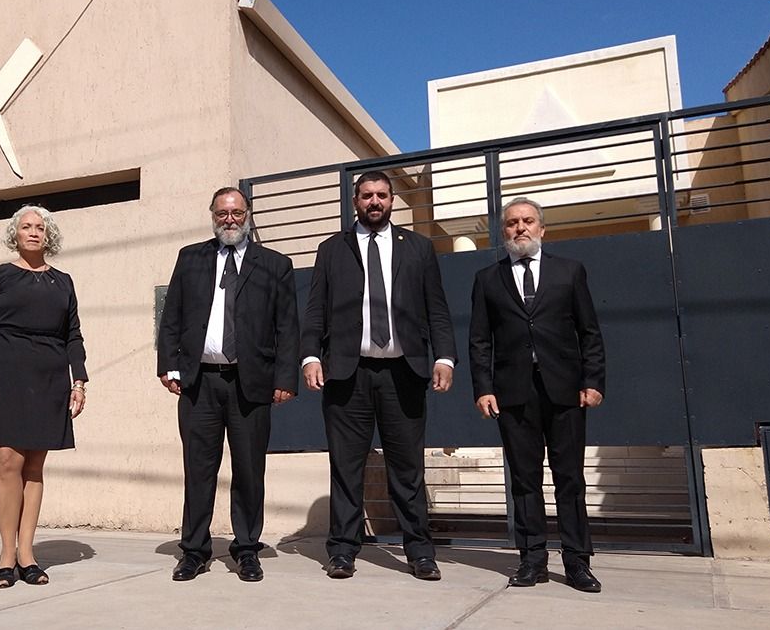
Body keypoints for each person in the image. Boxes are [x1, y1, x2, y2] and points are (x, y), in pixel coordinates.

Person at [301, 170, 456, 581]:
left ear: (392, 201)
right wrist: (309, 357)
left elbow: (436, 308)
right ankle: (343, 551)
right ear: (355, 201)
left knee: (407, 468)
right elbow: (316, 309)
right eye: (367, 195)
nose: (375, 202)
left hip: (403, 373)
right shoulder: (332, 249)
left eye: (382, 195)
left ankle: (420, 553)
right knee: (346, 467)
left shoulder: (419, 248)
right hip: (347, 375)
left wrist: (445, 357)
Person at [157, 187, 299, 582]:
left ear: (248, 214)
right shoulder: (191, 258)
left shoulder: (275, 264)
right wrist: (168, 366)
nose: (230, 220)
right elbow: (173, 317)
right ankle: (194, 551)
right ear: (212, 216)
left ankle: (247, 549)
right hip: (200, 384)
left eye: (236, 213)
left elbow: (288, 327)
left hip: (250, 385)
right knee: (198, 470)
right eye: (222, 213)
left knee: (250, 470)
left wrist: (285, 378)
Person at [468, 197, 606, 593]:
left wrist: (593, 381)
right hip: (513, 395)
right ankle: (532, 560)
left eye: (528, 221)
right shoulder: (487, 279)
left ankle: (577, 561)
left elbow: (590, 333)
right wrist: (483, 388)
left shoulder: (570, 272)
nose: (520, 228)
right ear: (503, 232)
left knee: (569, 478)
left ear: (542, 229)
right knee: (524, 480)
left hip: (565, 392)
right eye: (512, 223)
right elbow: (479, 340)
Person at [0, 205, 88, 589]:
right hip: (7, 375)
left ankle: (28, 555)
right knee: (6, 461)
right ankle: (5, 556)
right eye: (26, 227)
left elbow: (73, 336)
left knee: (34, 466)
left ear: (48, 235)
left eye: (40, 227)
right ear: (15, 234)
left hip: (50, 378)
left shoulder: (63, 281)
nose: (33, 232)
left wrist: (78, 380)